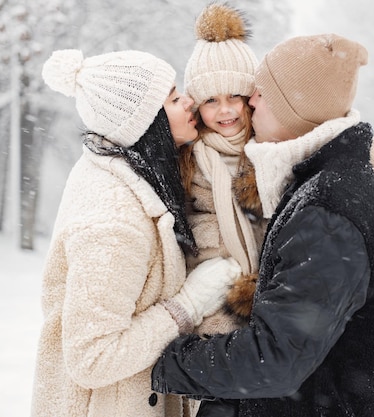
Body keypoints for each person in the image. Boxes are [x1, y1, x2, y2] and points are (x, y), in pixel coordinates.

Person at [152, 33, 374, 417]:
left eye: (261, 94)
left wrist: (164, 361)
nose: (250, 102)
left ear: (295, 110)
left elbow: (274, 361)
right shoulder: (318, 179)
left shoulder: (327, 211)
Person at [178, 4, 374, 336]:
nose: (225, 110)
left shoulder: (272, 133)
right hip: (216, 279)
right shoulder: (191, 152)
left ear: (252, 96)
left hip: (278, 273)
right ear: (196, 104)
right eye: (210, 100)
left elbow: (343, 133)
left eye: (235, 96)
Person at [30, 49, 242, 417]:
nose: (189, 101)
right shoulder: (114, 222)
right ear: (146, 123)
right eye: (174, 98)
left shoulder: (119, 171)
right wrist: (187, 306)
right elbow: (92, 357)